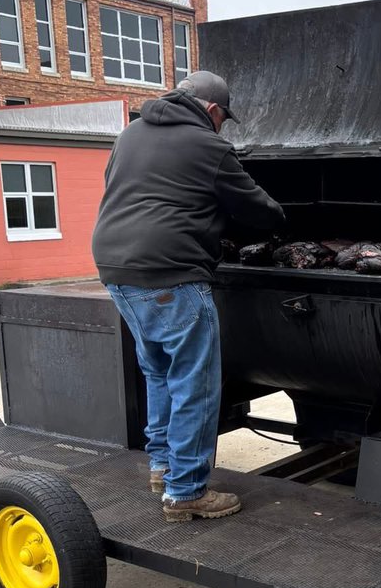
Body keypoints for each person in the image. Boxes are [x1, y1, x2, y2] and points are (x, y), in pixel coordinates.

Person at [92, 70, 285, 523]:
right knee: (195, 384)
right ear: (214, 111)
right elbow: (256, 207)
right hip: (170, 272)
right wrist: (283, 220)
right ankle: (186, 492)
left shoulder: (131, 132)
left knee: (159, 371)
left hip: (116, 267)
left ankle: (162, 468)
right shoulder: (208, 145)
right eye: (223, 119)